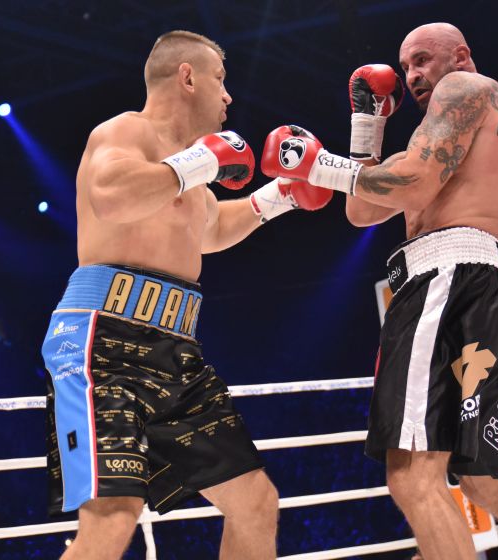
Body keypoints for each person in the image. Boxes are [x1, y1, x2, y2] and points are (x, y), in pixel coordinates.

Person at [261, 22, 498, 559]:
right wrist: (367, 125)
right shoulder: (445, 133)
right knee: (485, 484)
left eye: (423, 60)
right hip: (481, 285)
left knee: (412, 476)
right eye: (406, 65)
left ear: (461, 55)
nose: (411, 75)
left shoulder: (464, 88)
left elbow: (413, 183)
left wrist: (315, 163)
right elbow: (362, 210)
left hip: (446, 279)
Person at [40, 30, 331, 560]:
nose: (229, 96)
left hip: (176, 353)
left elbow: (210, 230)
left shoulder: (189, 172)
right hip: (102, 343)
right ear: (188, 77)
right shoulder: (125, 131)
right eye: (220, 79)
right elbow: (110, 196)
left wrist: (283, 195)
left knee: (255, 503)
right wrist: (199, 162)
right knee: (113, 517)